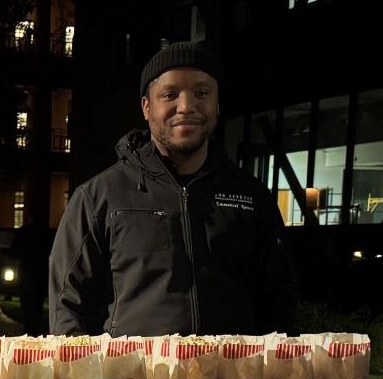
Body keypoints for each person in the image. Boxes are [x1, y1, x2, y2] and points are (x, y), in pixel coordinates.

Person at [49, 41, 298, 336]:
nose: (186, 106)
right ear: (146, 107)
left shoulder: (252, 196)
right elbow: (68, 308)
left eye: (202, 93)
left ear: (217, 104)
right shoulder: (98, 196)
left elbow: (279, 305)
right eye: (170, 94)